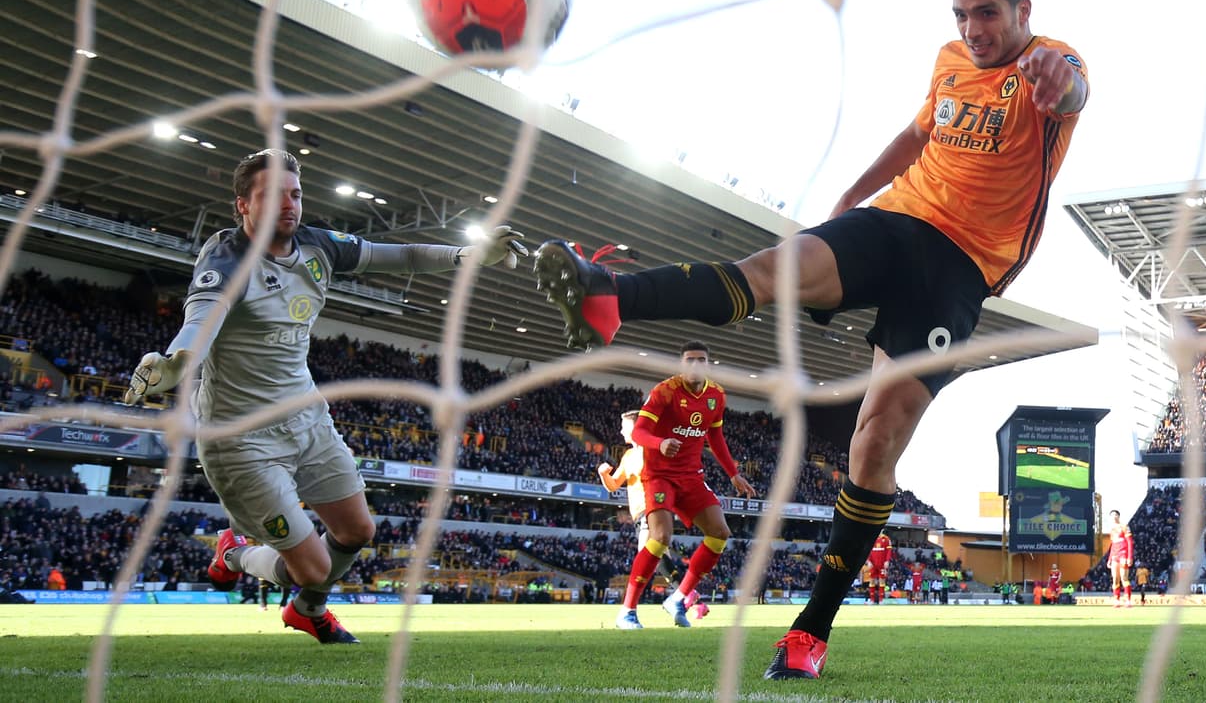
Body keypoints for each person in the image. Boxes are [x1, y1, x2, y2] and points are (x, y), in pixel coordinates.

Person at [532, 0, 1088, 679]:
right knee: (771, 269)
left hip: (959, 266)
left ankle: (810, 632)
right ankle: (608, 297)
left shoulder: (1051, 62)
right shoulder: (949, 59)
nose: (974, 28)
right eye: (961, 13)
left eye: (987, 12)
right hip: (895, 221)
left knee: (875, 441)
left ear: (1023, 10)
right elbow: (920, 134)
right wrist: (848, 201)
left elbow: (1074, 91)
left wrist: (1063, 80)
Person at [124, 148, 528, 644]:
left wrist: (466, 256)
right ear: (243, 207)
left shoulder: (317, 247)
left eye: (294, 194)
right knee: (312, 568)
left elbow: (397, 255)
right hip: (241, 438)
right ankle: (233, 552)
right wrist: (177, 361)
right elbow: (202, 318)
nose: (288, 204)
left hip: (306, 418)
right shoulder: (227, 258)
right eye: (272, 195)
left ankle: (306, 611)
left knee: (358, 531)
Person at [610, 341, 755, 630]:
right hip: (659, 475)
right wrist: (660, 443)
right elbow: (639, 430)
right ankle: (627, 612)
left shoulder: (716, 395)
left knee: (719, 532)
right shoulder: (665, 391)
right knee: (661, 537)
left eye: (701, 359)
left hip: (691, 476)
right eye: (689, 360)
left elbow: (716, 437)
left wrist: (733, 473)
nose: (695, 365)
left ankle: (677, 598)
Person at [595, 410, 685, 608]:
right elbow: (613, 485)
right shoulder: (629, 456)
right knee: (660, 556)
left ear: (636, 428)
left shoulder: (652, 452)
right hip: (640, 514)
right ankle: (686, 593)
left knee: (646, 552)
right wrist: (604, 475)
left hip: (652, 508)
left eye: (624, 427)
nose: (620, 431)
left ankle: (630, 607)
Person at [1107, 509, 1134, 608]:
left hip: (1123, 555)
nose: (1114, 517)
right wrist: (1109, 559)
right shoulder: (1111, 530)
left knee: (1124, 578)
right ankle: (1117, 600)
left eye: (1115, 515)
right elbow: (1112, 545)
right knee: (1115, 579)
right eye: (1112, 515)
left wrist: (1129, 556)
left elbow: (1129, 542)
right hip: (1115, 556)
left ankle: (1128, 600)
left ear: (1118, 516)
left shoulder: (1124, 527)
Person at [865, 532, 892, 604]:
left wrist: (887, 561)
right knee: (872, 581)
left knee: (882, 581)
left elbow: (889, 551)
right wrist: (868, 561)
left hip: (882, 564)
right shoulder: (871, 538)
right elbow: (866, 550)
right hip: (872, 564)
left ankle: (881, 600)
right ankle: (872, 600)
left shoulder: (886, 539)